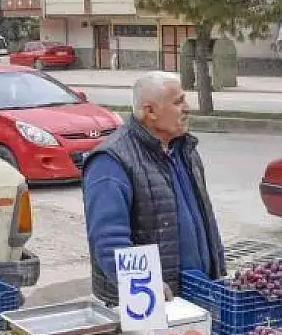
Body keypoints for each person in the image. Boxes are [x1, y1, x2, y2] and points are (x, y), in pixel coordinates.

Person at [82, 71, 226, 306]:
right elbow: (109, 243)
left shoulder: (184, 150)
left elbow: (205, 219)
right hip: (145, 306)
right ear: (150, 111)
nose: (186, 108)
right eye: (178, 101)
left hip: (196, 295)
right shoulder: (111, 161)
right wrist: (148, 288)